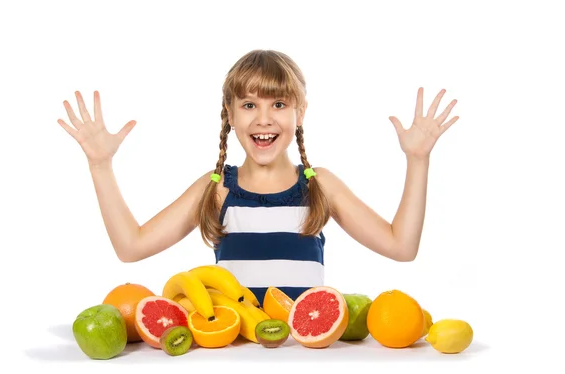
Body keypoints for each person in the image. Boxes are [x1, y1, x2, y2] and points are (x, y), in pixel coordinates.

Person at [57, 49, 459, 305]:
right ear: (230, 115)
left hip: (308, 357)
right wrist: (100, 167)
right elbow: (131, 247)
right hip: (232, 354)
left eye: (279, 104)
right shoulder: (216, 189)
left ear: (300, 113)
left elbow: (402, 247)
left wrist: (417, 160)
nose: (264, 118)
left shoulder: (319, 185)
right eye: (249, 104)